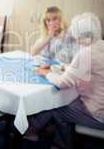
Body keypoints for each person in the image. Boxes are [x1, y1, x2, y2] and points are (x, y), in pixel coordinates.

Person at [27, 12, 104, 148]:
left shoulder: (86, 53)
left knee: (57, 106)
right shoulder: (100, 45)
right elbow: (82, 70)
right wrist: (62, 66)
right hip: (98, 103)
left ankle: (61, 145)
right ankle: (42, 131)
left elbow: (62, 82)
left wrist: (44, 73)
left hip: (98, 114)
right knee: (65, 100)